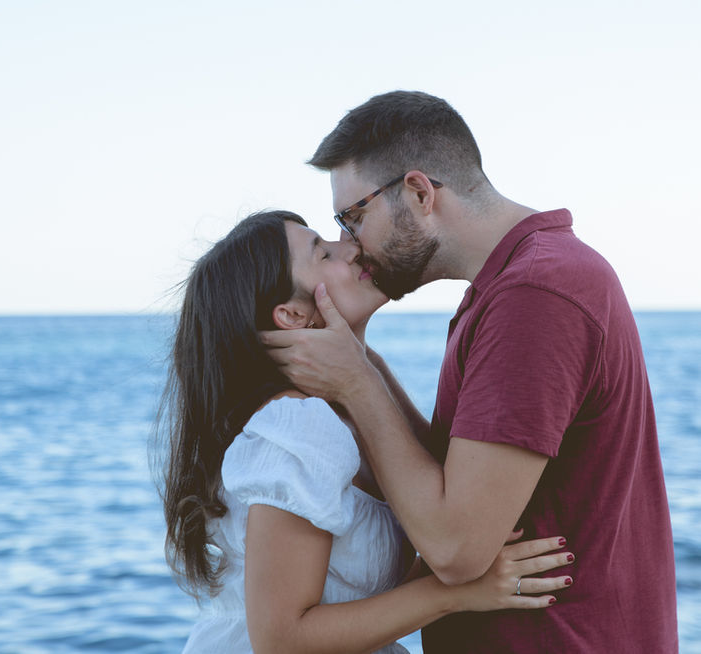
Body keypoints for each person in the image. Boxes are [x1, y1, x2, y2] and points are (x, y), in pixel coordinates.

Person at [260, 91, 678, 652]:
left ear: (418, 192)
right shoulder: (517, 283)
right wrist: (361, 366)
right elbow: (448, 482)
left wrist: (358, 383)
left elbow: (456, 549)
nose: (351, 245)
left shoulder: (535, 295)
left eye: (352, 217)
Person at [158, 210, 573, 654]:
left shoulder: (352, 408)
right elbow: (279, 640)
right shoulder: (301, 426)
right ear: (293, 315)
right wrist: (453, 594)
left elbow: (355, 591)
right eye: (323, 251)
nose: (351, 246)